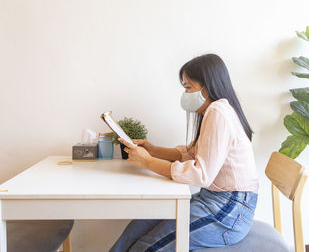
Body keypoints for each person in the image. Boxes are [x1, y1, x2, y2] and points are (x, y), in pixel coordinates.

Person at [110, 54, 259, 252]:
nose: (186, 93)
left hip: (228, 212)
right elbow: (192, 153)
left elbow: (201, 174)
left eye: (189, 87)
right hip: (213, 200)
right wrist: (154, 151)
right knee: (136, 229)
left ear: (206, 88)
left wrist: (148, 162)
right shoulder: (216, 111)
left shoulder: (218, 112)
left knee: (145, 247)